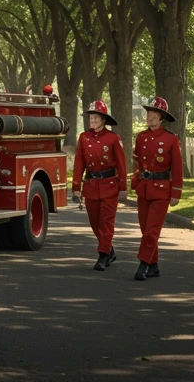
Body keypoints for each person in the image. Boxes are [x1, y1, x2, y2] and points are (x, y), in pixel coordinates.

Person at [131, 96, 183, 281]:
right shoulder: (141, 137)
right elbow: (137, 162)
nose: (150, 117)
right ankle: (154, 265)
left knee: (152, 230)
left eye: (155, 114)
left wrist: (176, 192)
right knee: (145, 229)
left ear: (162, 118)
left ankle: (143, 264)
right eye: (149, 113)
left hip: (162, 190)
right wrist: (135, 180)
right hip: (144, 188)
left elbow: (177, 168)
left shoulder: (170, 139)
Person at [71, 100, 127, 271]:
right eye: (91, 118)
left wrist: (123, 187)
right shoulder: (84, 137)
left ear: (104, 120)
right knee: (95, 223)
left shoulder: (113, 138)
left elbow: (121, 163)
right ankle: (109, 250)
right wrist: (76, 186)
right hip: (91, 185)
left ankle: (103, 256)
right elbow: (79, 162)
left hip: (110, 185)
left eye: (96, 118)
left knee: (106, 223)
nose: (93, 121)